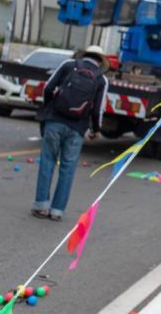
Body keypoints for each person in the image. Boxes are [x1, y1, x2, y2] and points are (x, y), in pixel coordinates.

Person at [32, 45, 109, 221]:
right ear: (100, 60)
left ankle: (41, 206)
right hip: (77, 128)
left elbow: (48, 88)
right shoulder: (101, 79)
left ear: (85, 55)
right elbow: (98, 110)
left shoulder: (68, 65)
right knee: (67, 169)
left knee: (47, 162)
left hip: (54, 121)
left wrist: (50, 108)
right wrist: (95, 130)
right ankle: (57, 210)